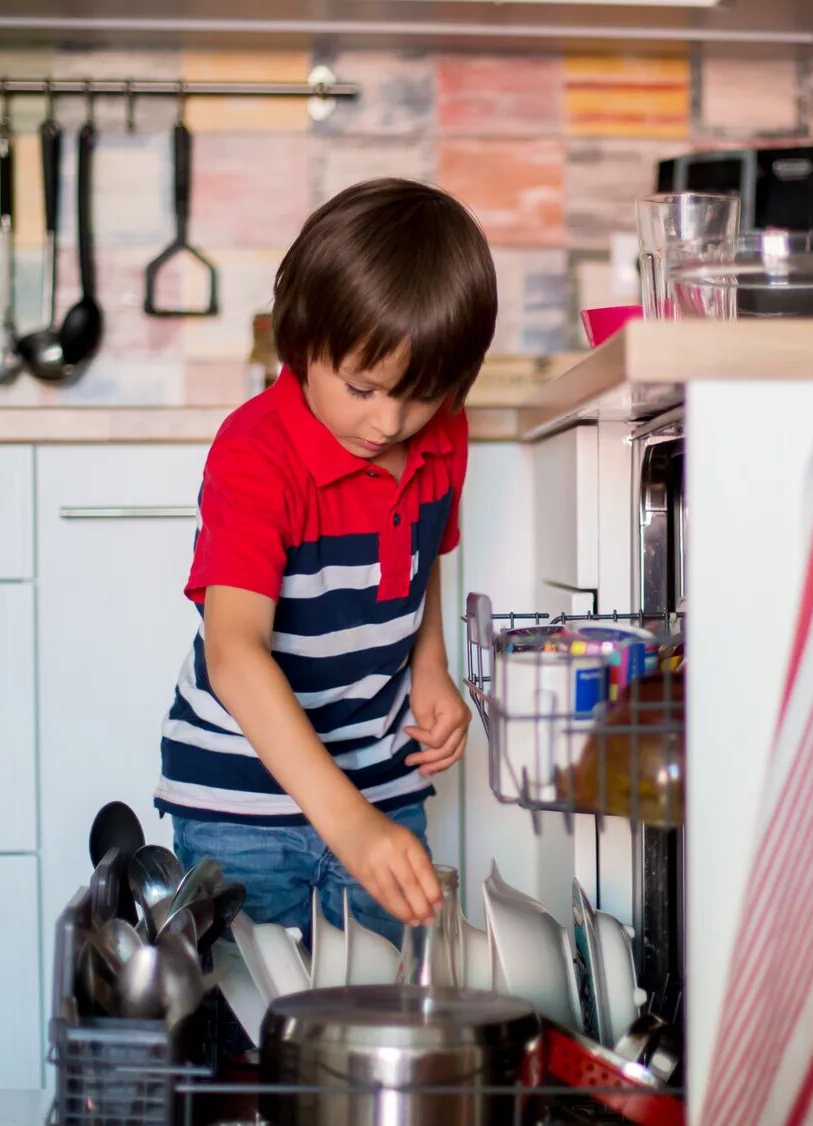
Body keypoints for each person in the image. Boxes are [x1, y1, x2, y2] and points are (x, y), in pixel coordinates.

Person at [155, 178, 495, 947]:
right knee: (255, 1040)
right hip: (240, 798)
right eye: (362, 388)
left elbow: (421, 551)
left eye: (419, 396)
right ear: (302, 341)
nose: (387, 422)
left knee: (375, 1019)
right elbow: (235, 652)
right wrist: (349, 827)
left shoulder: (443, 434)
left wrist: (429, 666)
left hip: (382, 778)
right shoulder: (257, 455)